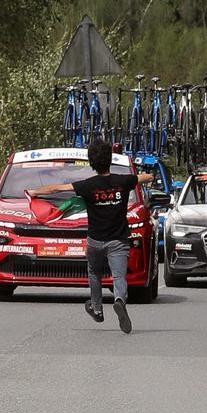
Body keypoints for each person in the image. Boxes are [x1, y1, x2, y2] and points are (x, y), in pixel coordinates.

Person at [26, 140, 155, 334]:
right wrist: (149, 175)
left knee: (94, 273)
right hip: (118, 240)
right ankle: (119, 300)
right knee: (119, 276)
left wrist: (34, 192)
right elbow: (145, 178)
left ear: (92, 163)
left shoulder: (87, 186)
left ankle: (97, 308)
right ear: (109, 160)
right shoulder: (124, 181)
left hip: (95, 241)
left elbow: (57, 189)